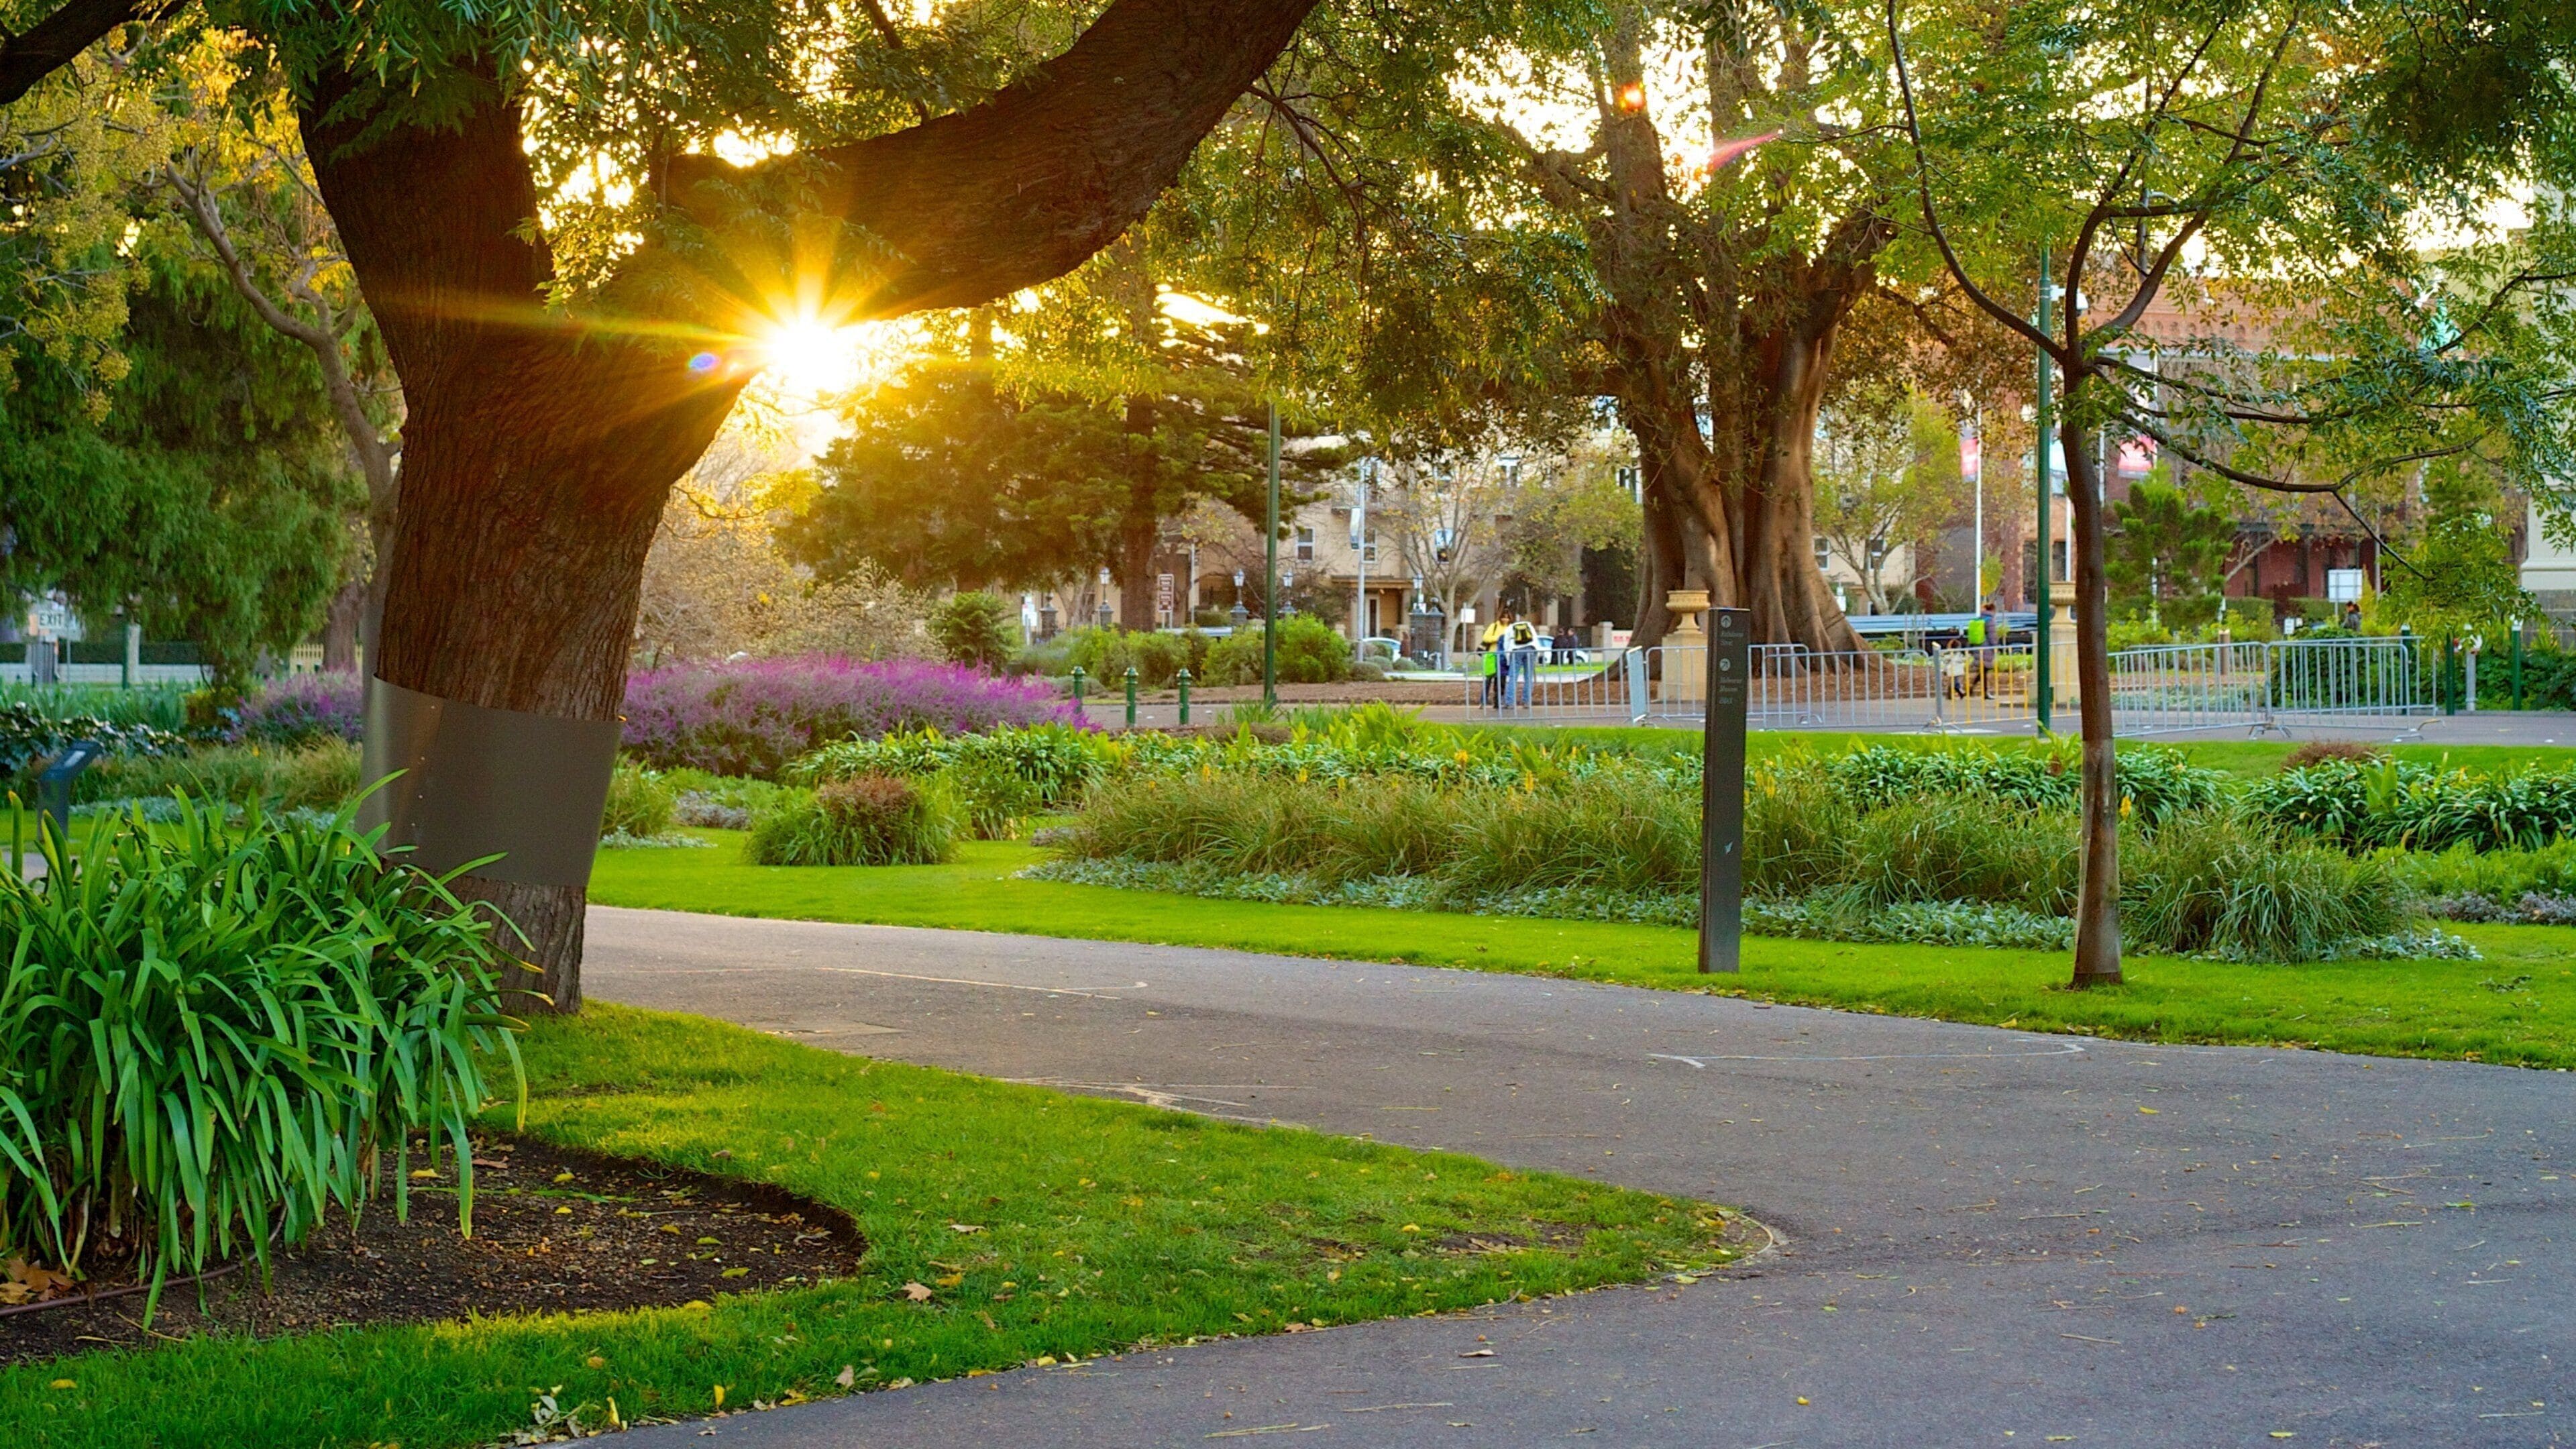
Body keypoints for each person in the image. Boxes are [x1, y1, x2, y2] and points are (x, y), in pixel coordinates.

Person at [1506, 612, 1544, 708]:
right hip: (1531, 650)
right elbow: (1536, 640)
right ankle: (1526, 702)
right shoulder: (1529, 626)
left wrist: (1508, 659)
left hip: (1516, 651)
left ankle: (1510, 702)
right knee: (1528, 677)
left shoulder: (1510, 628)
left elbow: (1507, 645)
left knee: (1513, 677)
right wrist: (1537, 655)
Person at [1480, 612, 1509, 708]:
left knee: (1501, 681)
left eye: (1508, 617)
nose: (1505, 619)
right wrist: (1499, 639)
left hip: (1504, 656)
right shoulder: (1494, 626)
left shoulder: (1510, 628)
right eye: (1504, 617)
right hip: (1492, 655)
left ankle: (1497, 702)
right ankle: (1483, 701)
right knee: (1489, 679)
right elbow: (1486, 638)